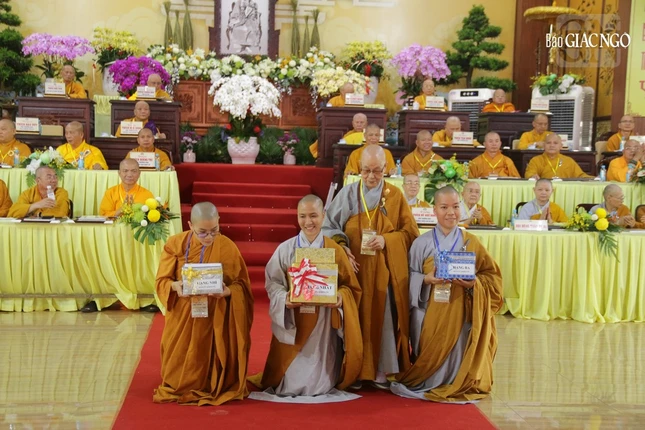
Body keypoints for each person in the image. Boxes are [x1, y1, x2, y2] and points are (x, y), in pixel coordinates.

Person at [390, 186, 503, 402]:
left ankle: (457, 380)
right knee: (430, 349)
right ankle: (429, 378)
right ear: (434, 210)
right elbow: (406, 278)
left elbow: (492, 277)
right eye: (444, 207)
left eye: (455, 207)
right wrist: (426, 279)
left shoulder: (472, 242)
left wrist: (474, 284)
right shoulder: (421, 243)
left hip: (460, 312)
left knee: (459, 345)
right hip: (429, 312)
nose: (451, 213)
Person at [323, 145, 419, 389]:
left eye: (377, 171)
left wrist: (387, 240)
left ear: (386, 169)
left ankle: (381, 369)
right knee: (354, 319)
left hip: (383, 273)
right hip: (353, 271)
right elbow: (329, 227)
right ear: (359, 168)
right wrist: (342, 246)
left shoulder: (395, 196)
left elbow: (410, 234)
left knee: (383, 318)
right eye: (366, 170)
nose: (371, 176)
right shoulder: (348, 193)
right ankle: (354, 369)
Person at [254, 195, 362, 401]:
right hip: (295, 318)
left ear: (323, 216)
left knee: (320, 370)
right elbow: (273, 282)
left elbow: (350, 287)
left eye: (313, 215)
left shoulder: (335, 250)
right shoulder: (285, 249)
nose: (308, 222)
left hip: (323, 322)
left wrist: (340, 297)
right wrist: (284, 298)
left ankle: (323, 379)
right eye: (302, 216)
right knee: (290, 380)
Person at [153, 202, 254, 405]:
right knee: (176, 369)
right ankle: (182, 382)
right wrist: (175, 286)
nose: (209, 237)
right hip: (183, 313)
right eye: (202, 232)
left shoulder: (227, 247)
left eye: (214, 231)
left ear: (219, 222)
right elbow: (161, 281)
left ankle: (213, 381)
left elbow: (242, 285)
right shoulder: (176, 244)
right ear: (190, 225)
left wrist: (228, 292)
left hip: (215, 314)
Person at [524, 134, 592, 179]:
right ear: (544, 146)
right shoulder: (536, 160)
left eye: (555, 143)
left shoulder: (568, 161)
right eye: (548, 143)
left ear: (561, 146)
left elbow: (580, 175)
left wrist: (593, 178)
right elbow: (529, 173)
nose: (552, 145)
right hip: (545, 190)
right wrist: (532, 176)